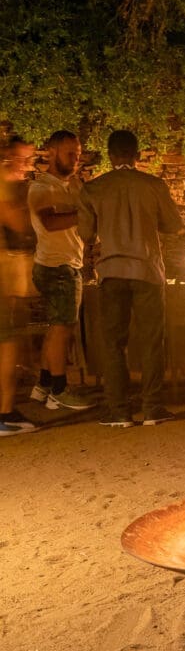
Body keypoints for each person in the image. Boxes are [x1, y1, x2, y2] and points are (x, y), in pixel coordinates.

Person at [78, 129, 184, 427]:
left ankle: (119, 411)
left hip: (111, 272)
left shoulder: (93, 189)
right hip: (147, 271)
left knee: (113, 343)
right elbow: (174, 225)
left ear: (110, 155)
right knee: (152, 341)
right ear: (137, 155)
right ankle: (152, 408)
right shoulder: (154, 185)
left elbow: (85, 234)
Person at [28, 130, 95, 411]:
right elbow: (50, 223)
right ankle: (59, 389)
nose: (76, 159)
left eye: (78, 154)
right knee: (62, 329)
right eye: (70, 154)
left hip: (69, 264)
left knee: (56, 328)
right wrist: (83, 215)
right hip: (56, 266)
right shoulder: (41, 187)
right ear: (52, 152)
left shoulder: (76, 185)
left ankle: (43, 385)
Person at [0, 136, 38, 435]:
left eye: (30, 159)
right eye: (22, 159)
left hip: (11, 275)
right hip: (5, 276)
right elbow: (18, 224)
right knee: (8, 342)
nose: (26, 165)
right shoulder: (5, 186)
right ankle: (5, 413)